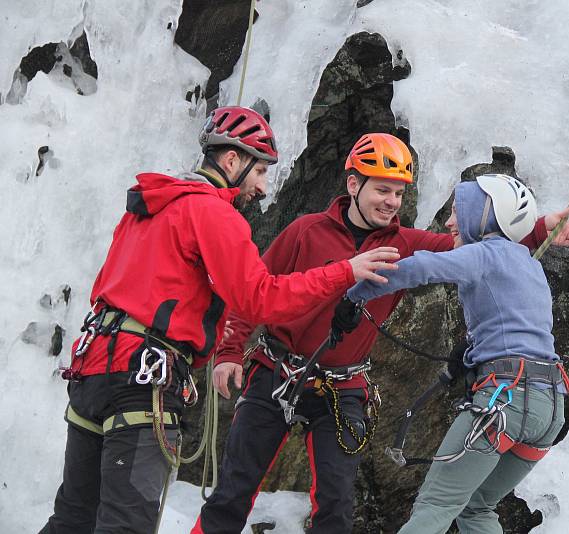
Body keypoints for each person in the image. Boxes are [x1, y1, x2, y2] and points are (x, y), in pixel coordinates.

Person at [194, 133, 569, 533]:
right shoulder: (304, 231)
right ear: (353, 185)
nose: (392, 201)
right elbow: (250, 292)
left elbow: (476, 250)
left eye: (398, 193)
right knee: (233, 492)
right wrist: (228, 352)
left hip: (341, 388)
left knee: (335, 507)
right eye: (383, 189)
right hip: (275, 372)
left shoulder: (404, 244)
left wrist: (539, 230)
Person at [39, 106, 399, 534]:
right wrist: (346, 270)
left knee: (72, 519)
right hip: (141, 383)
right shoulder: (213, 213)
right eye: (260, 172)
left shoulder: (147, 206)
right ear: (232, 161)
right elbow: (261, 299)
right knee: (124, 526)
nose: (263, 188)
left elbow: (105, 287)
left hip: (92, 371)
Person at [342, 174, 569, 534]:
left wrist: (355, 293)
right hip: (549, 407)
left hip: (505, 399)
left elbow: (423, 267)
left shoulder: (484, 254)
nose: (449, 222)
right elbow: (513, 326)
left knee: (436, 505)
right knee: (477, 508)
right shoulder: (530, 264)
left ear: (485, 216)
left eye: (458, 211)